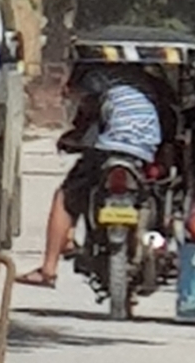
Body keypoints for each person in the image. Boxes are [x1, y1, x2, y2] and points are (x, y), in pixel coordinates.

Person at [18, 64, 163, 287]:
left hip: (111, 147)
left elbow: (86, 116)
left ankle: (48, 269)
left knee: (66, 196)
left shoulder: (95, 77)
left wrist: (72, 138)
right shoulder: (145, 81)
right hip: (144, 148)